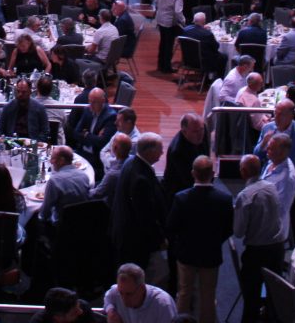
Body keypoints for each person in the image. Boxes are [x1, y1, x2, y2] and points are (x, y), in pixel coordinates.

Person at [166, 157, 232, 323]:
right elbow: (228, 229)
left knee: (184, 293)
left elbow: (171, 227)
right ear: (213, 174)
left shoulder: (181, 198)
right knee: (208, 295)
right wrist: (215, 241)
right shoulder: (224, 199)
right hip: (211, 254)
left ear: (192, 174)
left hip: (186, 254)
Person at [252, 100, 295, 245]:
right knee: (268, 218)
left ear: (291, 116)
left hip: (293, 185)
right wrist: (264, 144)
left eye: (280, 114)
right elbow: (257, 154)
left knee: (294, 219)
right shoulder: (268, 128)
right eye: (275, 113)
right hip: (270, 181)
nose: (276, 117)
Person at [233, 154, 284, 323]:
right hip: (277, 250)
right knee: (275, 296)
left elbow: (239, 232)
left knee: (251, 299)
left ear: (243, 171)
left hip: (256, 254)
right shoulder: (272, 187)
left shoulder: (245, 196)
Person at [111, 133, 168, 270]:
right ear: (150, 151)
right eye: (160, 148)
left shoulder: (131, 162)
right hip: (134, 242)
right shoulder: (140, 179)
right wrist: (160, 240)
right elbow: (146, 216)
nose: (162, 152)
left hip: (123, 234)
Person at [103, 263, 177, 323]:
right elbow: (108, 297)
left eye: (129, 294)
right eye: (121, 293)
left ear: (142, 288)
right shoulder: (118, 291)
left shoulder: (163, 305)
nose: (124, 300)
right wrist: (111, 311)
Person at [259, 134, 295, 242]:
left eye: (271, 148)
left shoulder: (287, 179)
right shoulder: (272, 162)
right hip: (262, 225)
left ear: (282, 153)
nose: (267, 149)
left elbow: (280, 210)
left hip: (273, 233)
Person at [39, 145, 91, 223]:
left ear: (62, 160)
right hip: (84, 221)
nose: (50, 161)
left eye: (53, 158)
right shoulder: (84, 176)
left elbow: (45, 212)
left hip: (62, 226)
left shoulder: (55, 181)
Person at [163, 113, 209, 197]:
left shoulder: (202, 129)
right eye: (195, 132)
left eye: (201, 129)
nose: (200, 134)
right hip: (180, 192)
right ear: (184, 131)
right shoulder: (177, 151)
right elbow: (189, 180)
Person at [154, 0, 186, 73]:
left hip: (160, 19)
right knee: (168, 44)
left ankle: (160, 64)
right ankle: (166, 67)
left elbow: (156, 0)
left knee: (163, 42)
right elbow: (177, 11)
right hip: (169, 21)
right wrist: (184, 21)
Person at [32, 287, 105, 323]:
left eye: (78, 306)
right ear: (57, 318)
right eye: (74, 312)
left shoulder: (84, 309)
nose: (80, 312)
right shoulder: (39, 321)